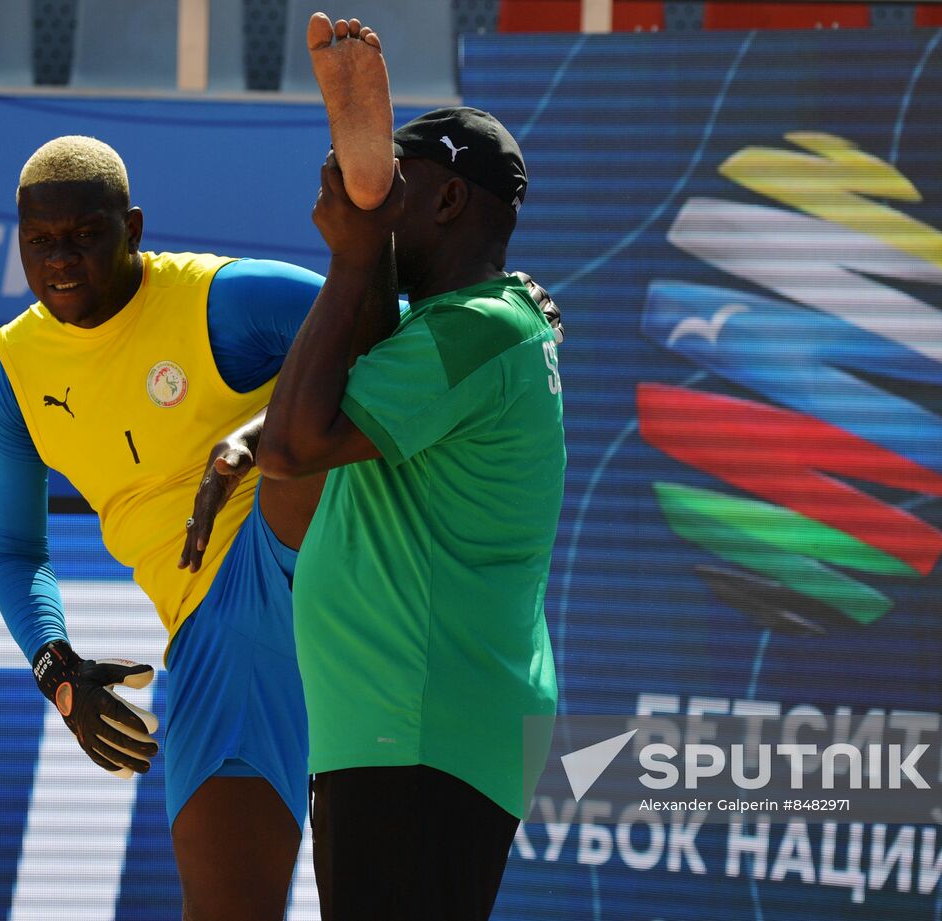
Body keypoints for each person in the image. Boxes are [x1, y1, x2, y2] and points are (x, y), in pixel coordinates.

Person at [0, 134, 339, 920]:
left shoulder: (218, 300)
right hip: (212, 629)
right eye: (39, 241)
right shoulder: (9, 371)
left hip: (298, 545)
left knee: (305, 442)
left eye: (84, 234)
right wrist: (56, 668)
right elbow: (14, 551)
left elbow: (398, 333)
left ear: (132, 228)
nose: (60, 260)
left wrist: (254, 440)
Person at [258, 30, 567, 918]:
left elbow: (292, 446)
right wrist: (366, 227)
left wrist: (354, 254)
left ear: (450, 200)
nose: (382, 209)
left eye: (401, 190)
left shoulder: (473, 330)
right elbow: (343, 377)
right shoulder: (476, 325)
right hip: (410, 729)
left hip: (418, 730)